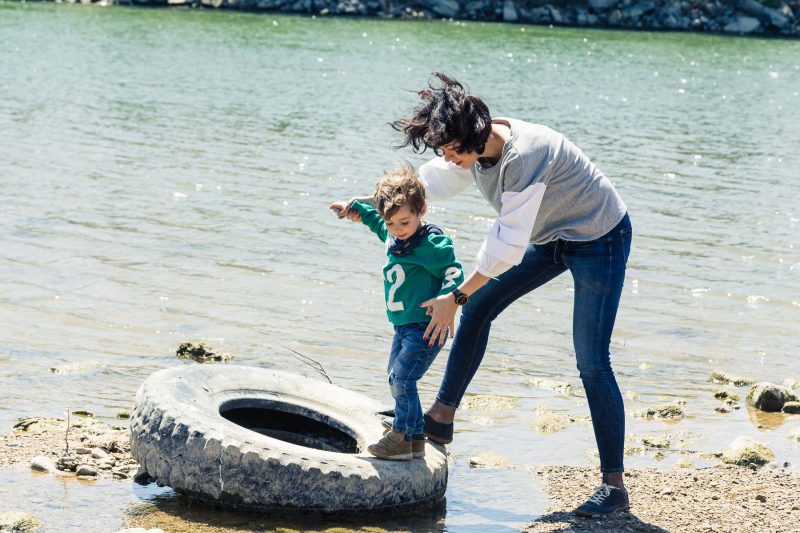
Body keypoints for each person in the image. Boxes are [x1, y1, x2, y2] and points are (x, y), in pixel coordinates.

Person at [380, 72, 632, 516]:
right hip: (553, 236)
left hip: (599, 236)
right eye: (444, 150)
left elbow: (506, 247)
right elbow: (430, 186)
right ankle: (439, 419)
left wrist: (453, 297)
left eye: (453, 151)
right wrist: (374, 203)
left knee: (592, 360)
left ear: (474, 138)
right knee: (478, 308)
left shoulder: (525, 156)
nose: (448, 158)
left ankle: (613, 487)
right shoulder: (472, 146)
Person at [330, 164, 464, 461]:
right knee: (395, 377)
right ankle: (414, 437)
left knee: (402, 380)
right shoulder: (394, 237)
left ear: (421, 211)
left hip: (427, 326)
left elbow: (456, 273)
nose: (398, 230)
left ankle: (402, 435)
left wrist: (452, 300)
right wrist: (352, 207)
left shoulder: (431, 244)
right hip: (403, 327)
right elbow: (375, 223)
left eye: (404, 222)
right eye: (392, 224)